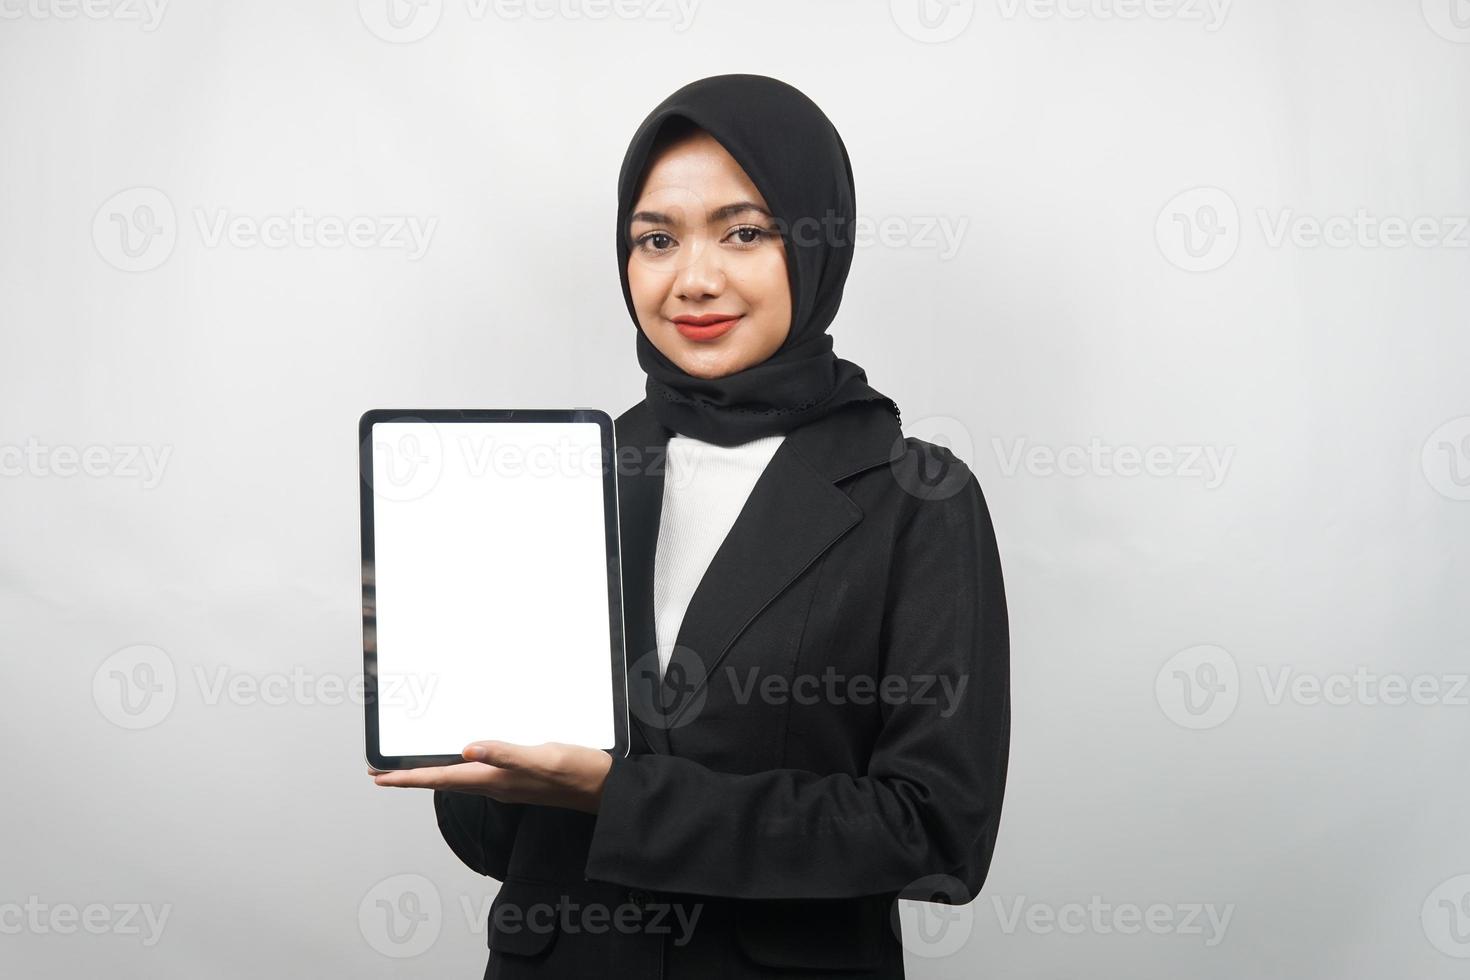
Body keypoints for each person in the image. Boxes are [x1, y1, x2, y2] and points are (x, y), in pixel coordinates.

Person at [371, 72, 1011, 979]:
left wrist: (620, 797)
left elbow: (936, 833)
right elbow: (491, 844)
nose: (694, 279)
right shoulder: (564, 480)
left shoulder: (917, 497)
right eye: (656, 239)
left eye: (745, 232)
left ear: (819, 242)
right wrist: (449, 712)